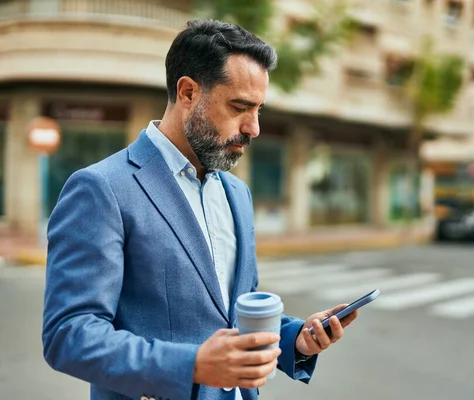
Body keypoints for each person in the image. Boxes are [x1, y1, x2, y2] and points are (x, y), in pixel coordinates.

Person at [41, 19, 358, 400]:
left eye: (258, 109)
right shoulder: (102, 188)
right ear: (188, 92)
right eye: (240, 107)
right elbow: (69, 335)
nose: (254, 128)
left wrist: (296, 340)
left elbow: (229, 312)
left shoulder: (236, 193)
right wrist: (192, 365)